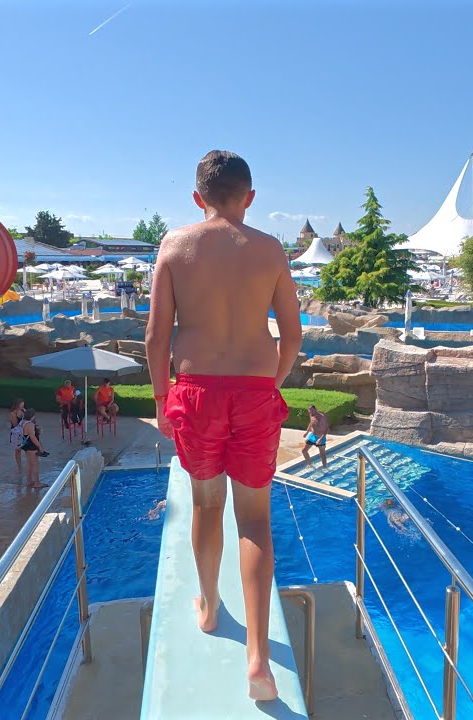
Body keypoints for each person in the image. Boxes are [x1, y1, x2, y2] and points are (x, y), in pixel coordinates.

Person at [145, 150, 302, 703]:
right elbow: (293, 335)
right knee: (254, 521)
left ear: (197, 197)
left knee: (207, 504)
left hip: (195, 392)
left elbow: (156, 339)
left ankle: (210, 608)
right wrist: (272, 382)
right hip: (256, 392)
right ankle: (259, 657)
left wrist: (164, 400)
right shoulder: (269, 249)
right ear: (250, 197)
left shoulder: (175, 246)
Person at [19, 408, 50, 490]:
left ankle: (29, 481)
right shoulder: (30, 425)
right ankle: (37, 483)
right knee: (35, 464)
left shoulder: (22, 422)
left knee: (29, 464)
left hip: (26, 446)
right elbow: (33, 437)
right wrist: (40, 447)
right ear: (32, 416)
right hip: (32, 447)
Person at [301, 405, 329, 469]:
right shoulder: (311, 415)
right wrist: (307, 432)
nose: (311, 412)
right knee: (304, 451)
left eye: (312, 410)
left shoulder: (322, 417)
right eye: (309, 411)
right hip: (313, 436)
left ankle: (325, 468)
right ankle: (310, 465)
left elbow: (327, 429)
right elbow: (311, 423)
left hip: (320, 437)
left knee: (322, 455)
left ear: (315, 409)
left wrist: (320, 439)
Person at [8, 398, 26, 476]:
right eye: (21, 405)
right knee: (17, 450)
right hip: (16, 433)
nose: (22, 406)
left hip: (23, 432)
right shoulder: (13, 414)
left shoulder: (23, 411)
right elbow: (15, 425)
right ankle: (19, 466)